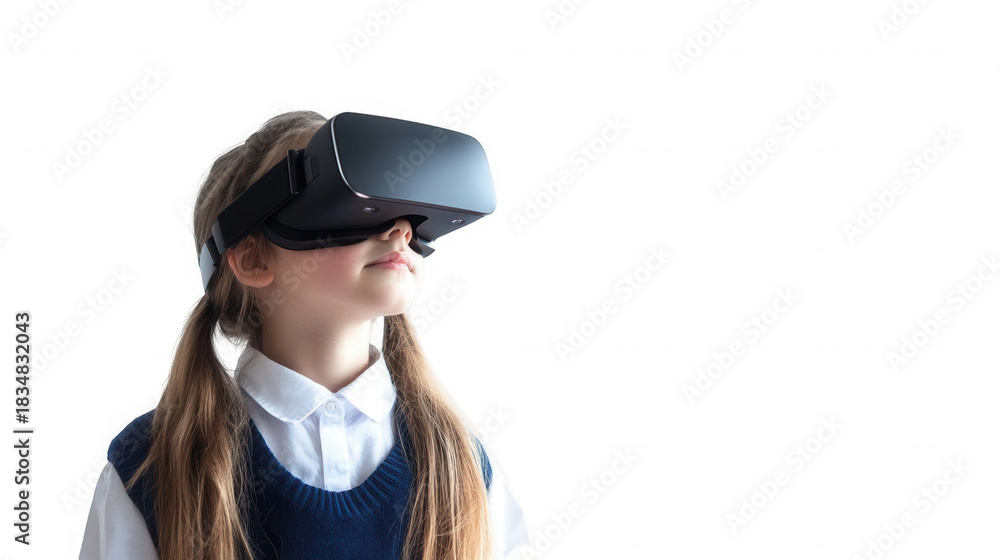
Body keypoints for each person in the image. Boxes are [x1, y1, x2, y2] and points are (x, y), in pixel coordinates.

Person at [79, 111, 529, 559]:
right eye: (351, 204)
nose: (400, 230)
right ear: (252, 259)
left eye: (406, 214)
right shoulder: (151, 468)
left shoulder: (463, 467)